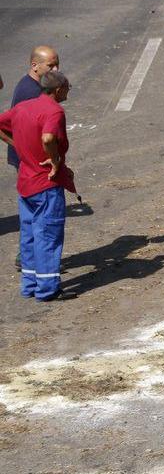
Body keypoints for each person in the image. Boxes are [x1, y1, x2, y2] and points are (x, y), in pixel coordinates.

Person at [0, 70, 74, 302]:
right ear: (58, 89)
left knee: (30, 234)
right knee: (48, 235)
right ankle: (47, 288)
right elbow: (48, 138)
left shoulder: (23, 107)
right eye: (67, 87)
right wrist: (54, 160)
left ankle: (30, 284)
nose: (68, 91)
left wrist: (18, 145)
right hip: (46, 183)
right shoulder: (54, 111)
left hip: (26, 182)